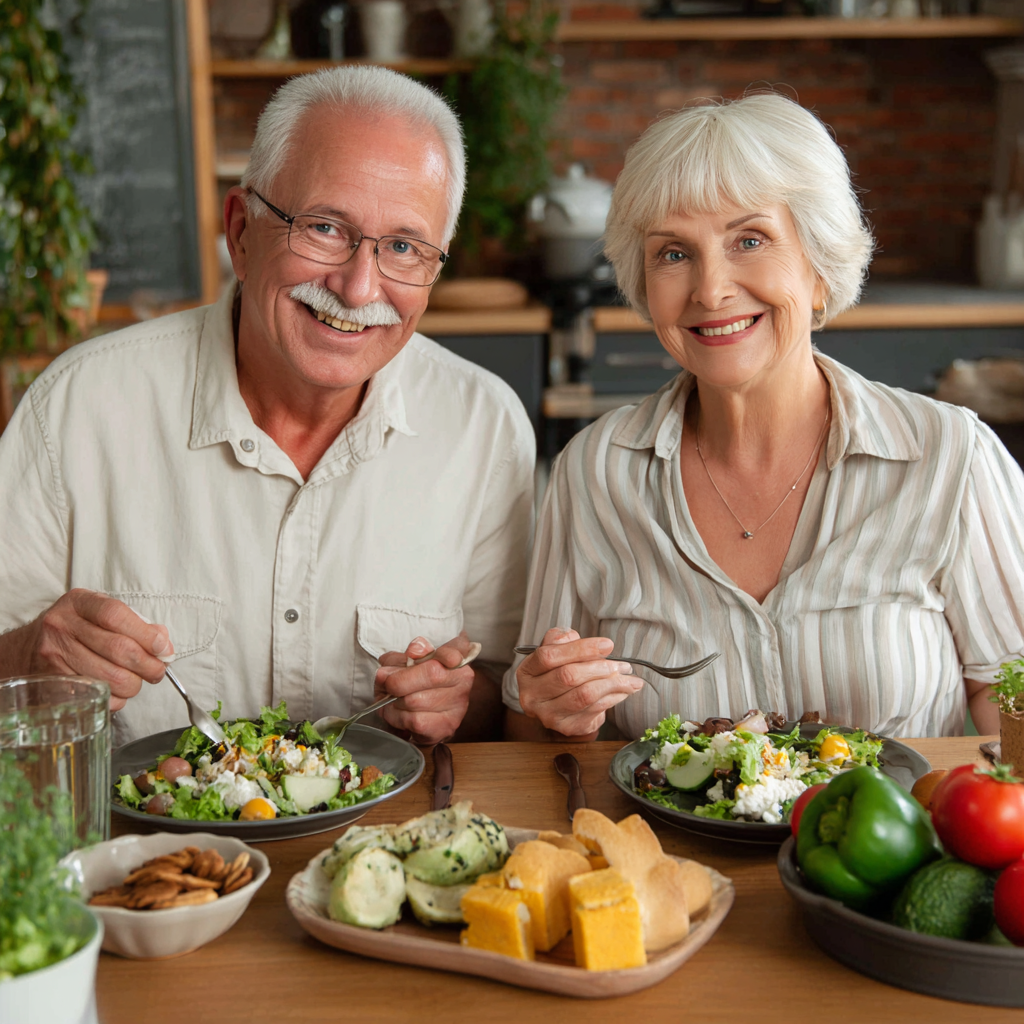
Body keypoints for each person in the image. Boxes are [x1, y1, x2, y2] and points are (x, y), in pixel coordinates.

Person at [0, 66, 535, 746]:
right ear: (241, 232)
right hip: (142, 850)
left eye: (403, 246)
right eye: (324, 228)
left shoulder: (484, 429)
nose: (358, 284)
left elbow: (501, 694)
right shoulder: (77, 408)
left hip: (383, 849)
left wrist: (456, 702)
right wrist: (26, 660)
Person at [505, 91, 1024, 742]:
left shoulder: (951, 457)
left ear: (818, 267)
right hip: (673, 847)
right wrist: (552, 710)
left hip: (904, 841)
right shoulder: (594, 472)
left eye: (750, 239)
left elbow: (1008, 699)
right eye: (673, 252)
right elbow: (532, 726)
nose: (711, 289)